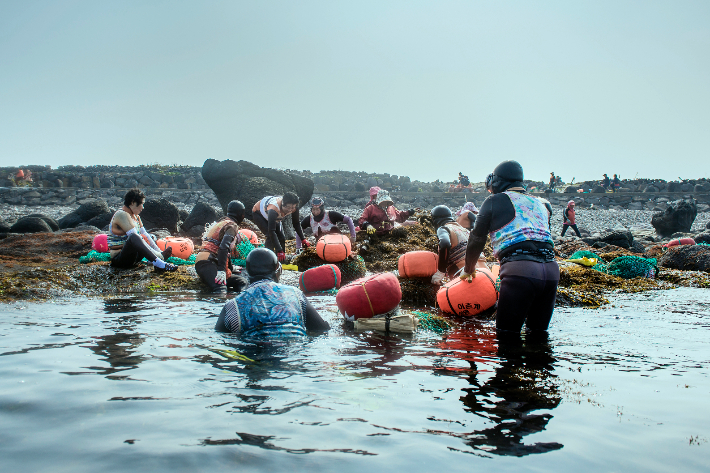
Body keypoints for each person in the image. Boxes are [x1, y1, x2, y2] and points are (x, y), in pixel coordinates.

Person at [460, 160, 558, 334]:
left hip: (520, 271)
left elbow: (476, 238)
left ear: (496, 181)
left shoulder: (494, 200)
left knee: (507, 337)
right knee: (538, 335)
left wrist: (468, 268)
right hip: (551, 271)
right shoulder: (541, 204)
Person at [214, 248, 330, 337]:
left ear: (247, 272)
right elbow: (322, 329)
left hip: (254, 362)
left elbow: (219, 337)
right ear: (277, 271)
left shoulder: (233, 306)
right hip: (293, 358)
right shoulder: (296, 295)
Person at [107, 188, 177, 271]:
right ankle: (158, 263)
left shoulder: (136, 216)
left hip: (134, 257)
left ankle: (156, 258)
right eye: (142, 204)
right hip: (120, 259)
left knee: (151, 236)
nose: (143, 207)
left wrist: (159, 252)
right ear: (132, 203)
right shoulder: (122, 214)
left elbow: (145, 234)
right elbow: (134, 237)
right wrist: (159, 256)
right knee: (134, 237)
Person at [195, 200, 249, 292]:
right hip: (207, 262)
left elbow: (226, 251)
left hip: (210, 262)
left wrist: (231, 268)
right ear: (242, 215)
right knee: (220, 288)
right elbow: (224, 247)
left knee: (242, 282)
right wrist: (221, 271)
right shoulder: (232, 226)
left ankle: (238, 301)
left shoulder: (222, 222)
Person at [430, 205, 487, 285]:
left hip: (468, 279)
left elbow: (445, 244)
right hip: (487, 276)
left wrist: (441, 271)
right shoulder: (466, 231)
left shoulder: (444, 228)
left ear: (435, 221)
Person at [252, 192, 306, 262]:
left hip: (276, 216)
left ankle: (281, 260)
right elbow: (271, 231)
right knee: (270, 236)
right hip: (259, 213)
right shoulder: (274, 209)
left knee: (281, 237)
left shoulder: (294, 208)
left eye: (292, 208)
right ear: (283, 204)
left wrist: (303, 239)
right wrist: (279, 250)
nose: (290, 210)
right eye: (288, 207)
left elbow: (296, 223)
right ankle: (267, 260)